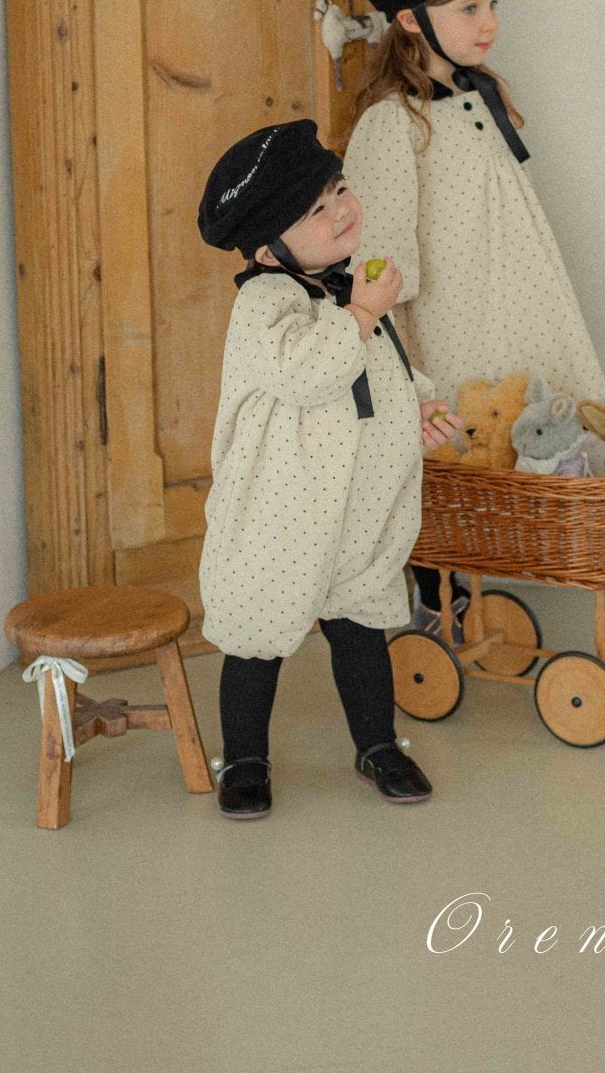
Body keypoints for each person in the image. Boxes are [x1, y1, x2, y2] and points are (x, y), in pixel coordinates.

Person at [344, 0, 605, 632]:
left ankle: (473, 595)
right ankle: (437, 595)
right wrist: (398, 360)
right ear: (410, 19)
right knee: (453, 459)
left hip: (513, 306)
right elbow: (381, 253)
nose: (489, 23)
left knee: (512, 442)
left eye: (493, 5)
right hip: (450, 323)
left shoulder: (481, 96)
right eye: (469, 8)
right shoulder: (392, 123)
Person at [197, 119, 457, 818]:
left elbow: (383, 367)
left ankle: (378, 744)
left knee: (362, 624)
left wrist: (419, 404)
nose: (341, 210)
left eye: (339, 189)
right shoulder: (265, 303)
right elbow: (310, 372)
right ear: (267, 249)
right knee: (257, 631)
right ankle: (244, 757)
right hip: (281, 510)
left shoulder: (346, 289)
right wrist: (365, 310)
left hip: (359, 505)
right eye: (316, 209)